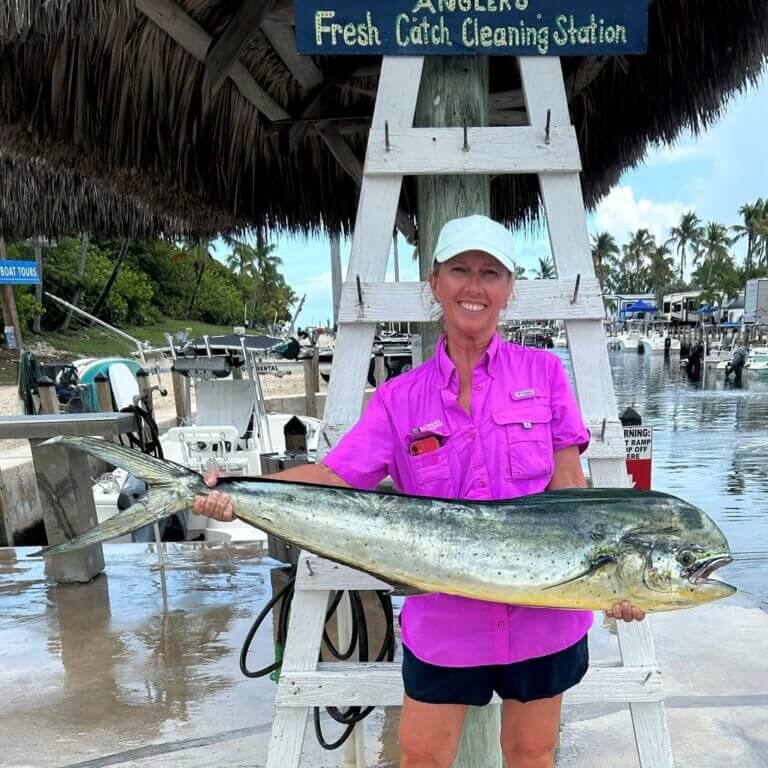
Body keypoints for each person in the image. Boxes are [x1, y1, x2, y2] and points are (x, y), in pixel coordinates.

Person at [193, 214, 645, 768]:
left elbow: (572, 497)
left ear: (508, 289)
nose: (473, 286)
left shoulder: (546, 373)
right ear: (434, 282)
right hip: (446, 624)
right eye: (459, 270)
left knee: (533, 754)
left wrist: (614, 587)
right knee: (423, 757)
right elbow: (335, 479)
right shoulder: (398, 399)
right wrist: (237, 492)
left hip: (541, 618)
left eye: (490, 273)